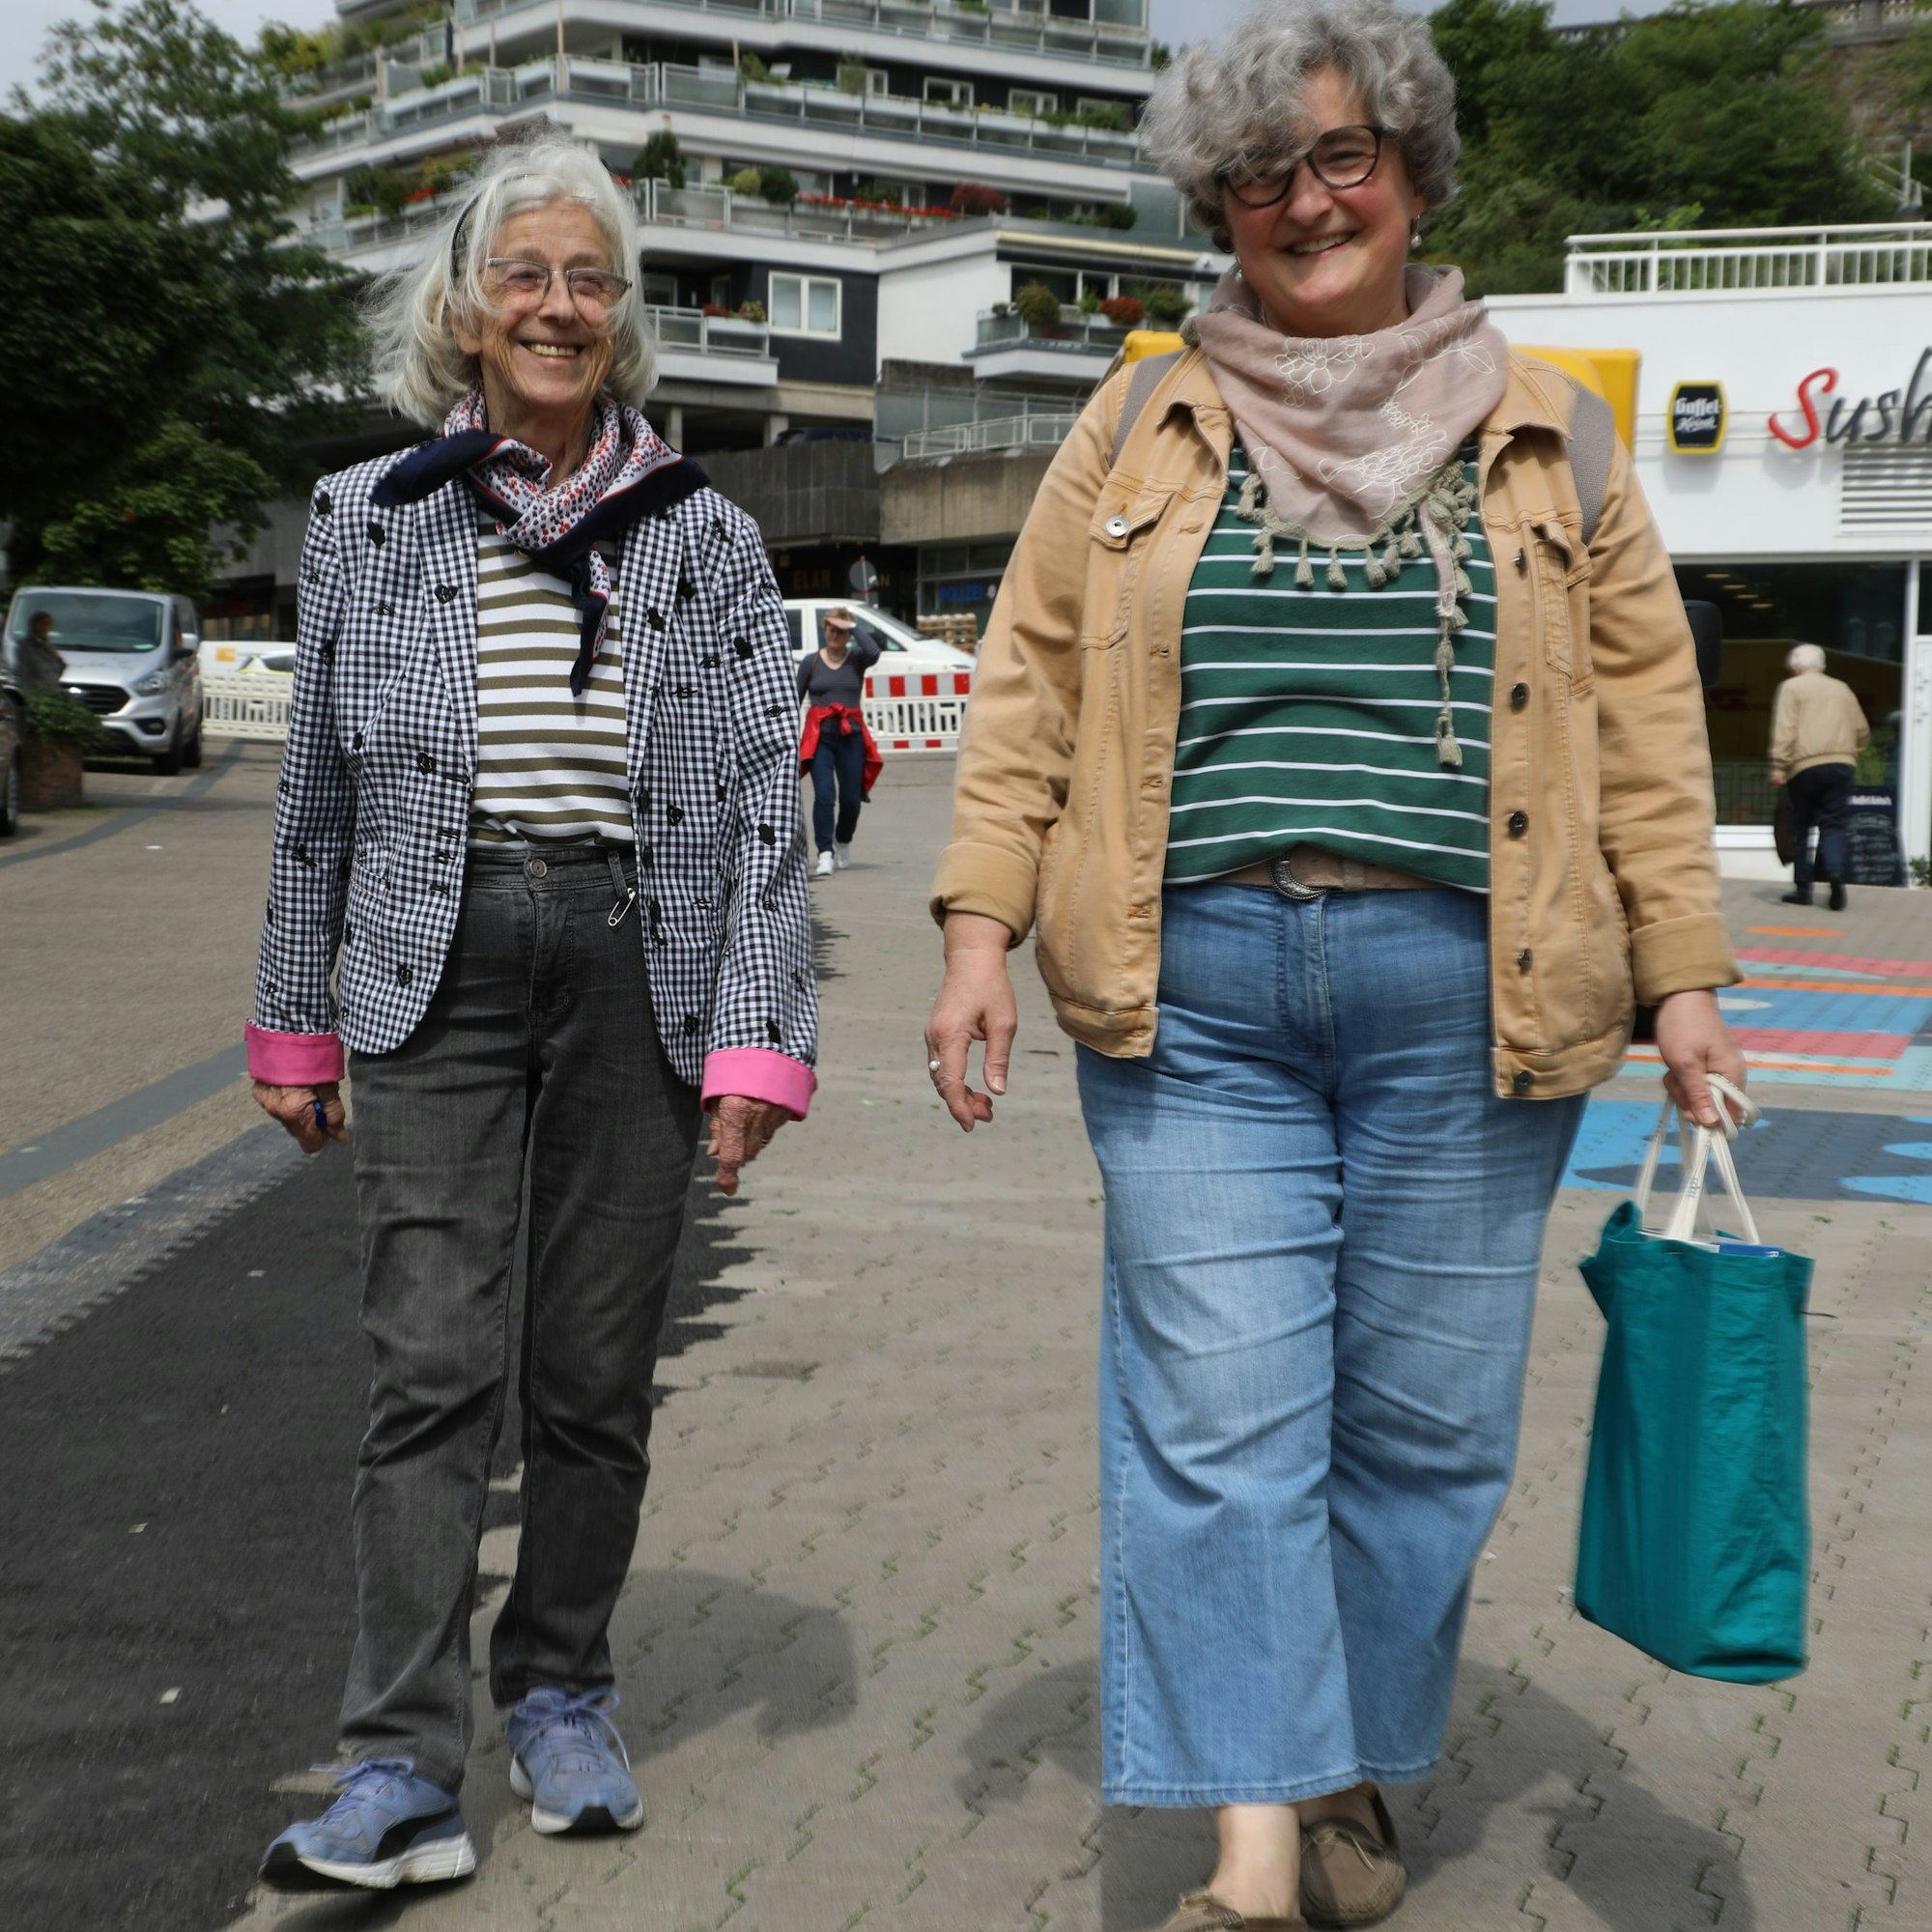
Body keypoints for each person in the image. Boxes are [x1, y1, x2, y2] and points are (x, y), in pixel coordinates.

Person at [923, 6, 1746, 1929]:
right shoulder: (1134, 420)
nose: (1305, 203)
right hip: (1187, 979)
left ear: (1413, 168)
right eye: (1259, 177)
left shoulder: (1554, 429)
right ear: (1216, 210)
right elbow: (1030, 679)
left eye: (1339, 157)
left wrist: (1686, 983)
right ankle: (1253, 1847)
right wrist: (974, 929)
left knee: (1429, 1430)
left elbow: (1643, 726)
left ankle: (1353, 1756)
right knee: (1216, 1416)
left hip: (1475, 994)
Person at [245, 139, 816, 1891]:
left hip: (638, 951)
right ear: (472, 307)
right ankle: (401, 1761)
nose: (559, 308)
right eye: (528, 276)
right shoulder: (371, 516)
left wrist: (757, 1035)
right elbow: (317, 795)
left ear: (619, 314)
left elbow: (752, 803)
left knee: (590, 1373)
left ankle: (562, 1684)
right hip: (436, 956)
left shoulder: (703, 534)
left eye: (589, 279)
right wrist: (295, 1017)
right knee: (427, 1367)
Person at [1770, 641, 1868, 910]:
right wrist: (1851, 753)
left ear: (1796, 666)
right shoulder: (1842, 689)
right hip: (1842, 765)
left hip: (1805, 767)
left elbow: (1786, 728)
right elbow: (1862, 730)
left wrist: (1780, 766)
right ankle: (1835, 874)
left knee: (1802, 829)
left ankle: (1803, 890)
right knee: (1834, 825)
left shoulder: (1792, 687)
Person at [796, 606, 880, 876]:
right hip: (821, 736)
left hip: (850, 736)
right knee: (824, 795)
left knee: (851, 799)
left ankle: (842, 840)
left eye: (840, 630)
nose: (834, 634)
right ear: (824, 630)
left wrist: (851, 625)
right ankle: (824, 853)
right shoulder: (811, 662)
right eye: (830, 628)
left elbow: (874, 652)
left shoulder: (857, 659)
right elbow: (794, 699)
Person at [15, 610, 66, 691]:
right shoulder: (24, 646)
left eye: (48, 624)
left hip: (51, 691)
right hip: (34, 691)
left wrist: (56, 655)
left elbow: (60, 668)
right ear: (33, 625)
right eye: (42, 623)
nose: (45, 627)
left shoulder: (48, 646)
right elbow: (22, 672)